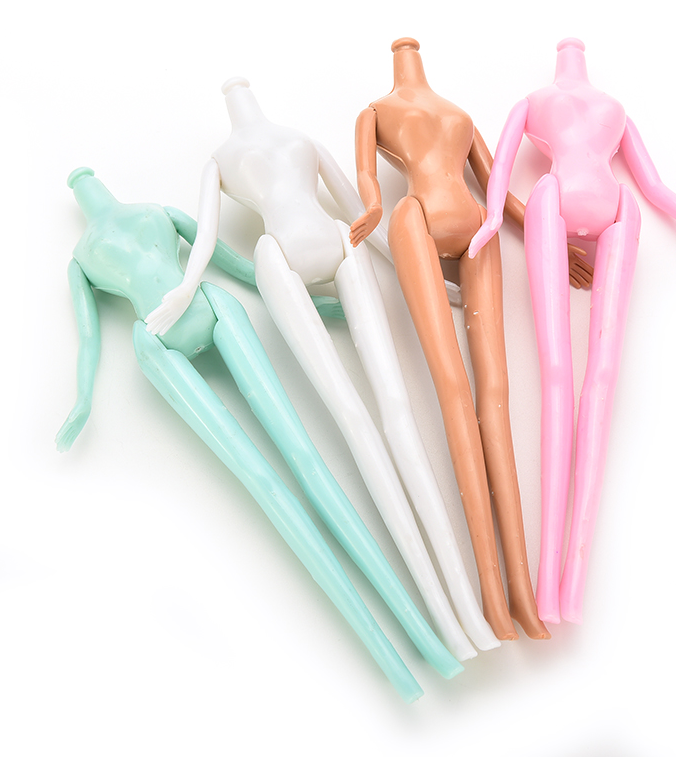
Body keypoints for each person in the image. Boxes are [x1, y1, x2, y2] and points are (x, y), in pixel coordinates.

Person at [57, 167, 463, 702]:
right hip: (158, 339)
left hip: (210, 307)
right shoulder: (91, 254)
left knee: (301, 455)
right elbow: (90, 336)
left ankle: (427, 642)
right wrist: (82, 399)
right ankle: (400, 658)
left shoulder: (150, 218)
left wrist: (316, 306)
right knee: (261, 478)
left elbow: (234, 266)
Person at [145, 80, 496, 659]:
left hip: (342, 241)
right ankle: (447, 621)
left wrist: (432, 282)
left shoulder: (297, 141)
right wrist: (186, 288)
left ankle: (465, 611)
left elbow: (359, 214)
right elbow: (204, 236)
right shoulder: (222, 160)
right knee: (350, 415)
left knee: (395, 405)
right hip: (276, 256)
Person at [469, 38, 676, 625]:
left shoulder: (560, 104)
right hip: (592, 203)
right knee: (571, 372)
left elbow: (506, 174)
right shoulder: (590, 106)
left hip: (591, 205)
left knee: (586, 374)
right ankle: (555, 588)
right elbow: (648, 187)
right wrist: (492, 218)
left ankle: (564, 589)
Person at [353, 38, 592, 640]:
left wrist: (548, 239)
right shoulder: (375, 112)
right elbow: (369, 182)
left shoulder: (458, 114)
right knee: (453, 387)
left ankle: (521, 595)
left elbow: (496, 188)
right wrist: (372, 210)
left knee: (496, 393)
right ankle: (492, 597)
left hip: (478, 229)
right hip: (415, 219)